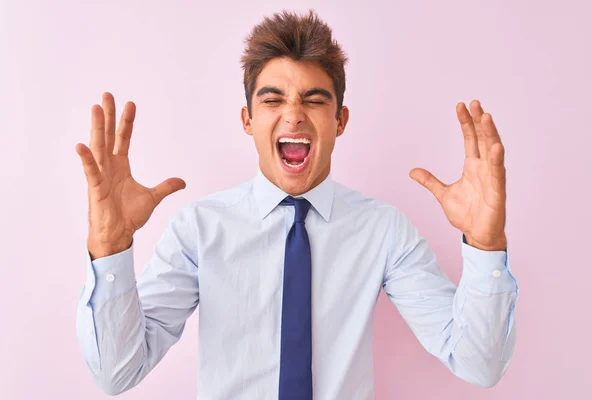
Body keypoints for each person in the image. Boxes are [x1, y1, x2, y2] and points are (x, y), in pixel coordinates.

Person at [75, 9, 518, 400]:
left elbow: (478, 364)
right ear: (248, 120)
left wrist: (485, 243)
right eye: (272, 99)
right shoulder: (198, 228)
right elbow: (118, 373)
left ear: (340, 120)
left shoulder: (383, 230)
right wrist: (109, 248)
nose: (293, 114)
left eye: (314, 99)